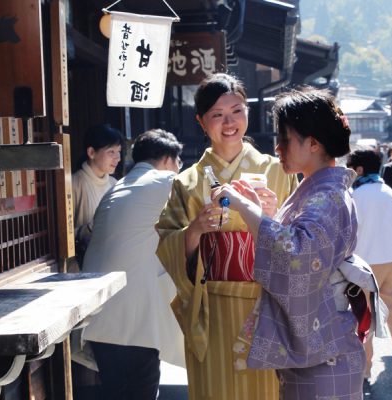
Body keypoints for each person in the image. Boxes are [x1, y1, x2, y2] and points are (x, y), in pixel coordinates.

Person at [210, 87, 366, 399]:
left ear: (313, 143)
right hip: (322, 349)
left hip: (325, 359)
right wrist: (267, 213)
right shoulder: (318, 191)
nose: (277, 147)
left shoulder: (325, 196)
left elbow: (295, 257)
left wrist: (242, 204)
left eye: (285, 138)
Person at [156, 73, 297, 400]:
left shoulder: (279, 171)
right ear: (201, 122)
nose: (229, 122)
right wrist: (195, 230)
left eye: (237, 111)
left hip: (269, 304)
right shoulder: (187, 181)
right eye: (217, 115)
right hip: (213, 307)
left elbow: (301, 239)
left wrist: (273, 219)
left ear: (248, 112)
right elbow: (167, 242)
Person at [82, 129, 185, 400]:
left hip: (100, 316)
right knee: (142, 391)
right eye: (179, 162)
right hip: (136, 319)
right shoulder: (166, 181)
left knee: (115, 392)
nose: (179, 168)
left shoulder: (117, 188)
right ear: (167, 159)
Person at [346, 148, 392, 381]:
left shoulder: (355, 196)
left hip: (365, 265)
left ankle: (365, 370)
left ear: (358, 170)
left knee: (363, 319)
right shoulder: (389, 193)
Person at [72, 123, 124, 266]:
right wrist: (89, 228)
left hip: (109, 261)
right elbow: (63, 236)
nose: (118, 158)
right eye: (111, 152)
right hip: (81, 267)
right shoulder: (74, 184)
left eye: (118, 151)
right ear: (91, 153)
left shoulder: (115, 184)